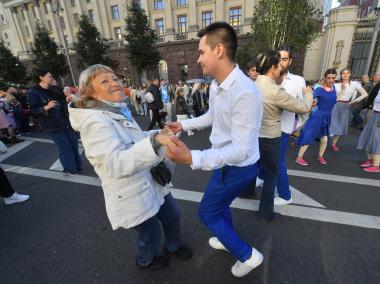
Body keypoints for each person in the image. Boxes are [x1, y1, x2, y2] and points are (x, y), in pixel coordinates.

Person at [68, 64, 192, 270]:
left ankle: (173, 245)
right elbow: (114, 164)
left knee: (172, 215)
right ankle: (146, 260)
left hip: (151, 180)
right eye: (104, 81)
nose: (114, 83)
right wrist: (155, 142)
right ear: (90, 91)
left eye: (114, 78)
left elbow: (134, 139)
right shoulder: (95, 121)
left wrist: (159, 134)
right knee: (150, 232)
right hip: (132, 192)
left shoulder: (116, 109)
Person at [167, 22, 263, 277]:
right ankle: (227, 239)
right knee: (219, 207)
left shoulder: (245, 92)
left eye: (201, 52)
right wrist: (183, 124)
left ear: (218, 50)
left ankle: (248, 255)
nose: (198, 59)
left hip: (238, 166)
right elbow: (212, 115)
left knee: (208, 212)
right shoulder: (218, 85)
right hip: (225, 161)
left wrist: (192, 157)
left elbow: (241, 150)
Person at [254, 49, 312, 219]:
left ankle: (249, 192)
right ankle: (266, 213)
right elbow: (303, 107)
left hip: (255, 134)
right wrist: (308, 94)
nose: (281, 67)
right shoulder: (274, 90)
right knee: (272, 174)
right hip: (271, 136)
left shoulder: (253, 83)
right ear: (273, 67)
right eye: (279, 64)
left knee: (257, 166)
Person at [27, 69, 82, 175]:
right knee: (65, 146)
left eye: (52, 76)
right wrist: (46, 107)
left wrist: (68, 98)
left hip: (66, 122)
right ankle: (70, 169)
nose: (52, 78)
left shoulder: (55, 89)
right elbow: (33, 111)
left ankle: (77, 167)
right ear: (41, 77)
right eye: (50, 76)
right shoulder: (33, 92)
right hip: (52, 125)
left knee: (73, 144)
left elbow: (63, 100)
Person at [276, 44, 311, 206]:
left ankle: (285, 195)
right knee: (261, 157)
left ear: (289, 61)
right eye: (278, 58)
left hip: (282, 129)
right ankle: (261, 178)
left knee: (278, 162)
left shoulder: (297, 81)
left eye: (284, 59)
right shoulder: (267, 77)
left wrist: (296, 127)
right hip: (262, 129)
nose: (280, 62)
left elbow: (305, 107)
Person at [296, 68, 338, 166]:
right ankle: (299, 157)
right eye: (328, 78)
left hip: (328, 116)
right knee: (309, 135)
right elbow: (310, 97)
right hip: (318, 115)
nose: (331, 80)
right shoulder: (319, 89)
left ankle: (320, 156)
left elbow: (333, 101)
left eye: (333, 78)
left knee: (325, 139)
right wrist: (312, 101)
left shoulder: (334, 88)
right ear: (325, 78)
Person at [330, 68, 368, 151]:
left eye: (347, 73)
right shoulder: (336, 85)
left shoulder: (355, 84)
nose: (345, 74)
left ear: (350, 74)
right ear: (340, 75)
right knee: (331, 124)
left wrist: (354, 101)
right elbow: (334, 97)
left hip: (345, 106)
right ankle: (323, 139)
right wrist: (342, 91)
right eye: (343, 73)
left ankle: (333, 144)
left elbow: (365, 94)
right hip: (335, 105)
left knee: (340, 126)